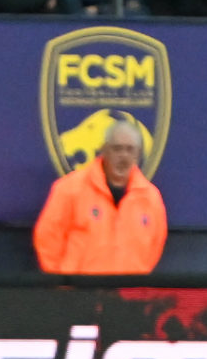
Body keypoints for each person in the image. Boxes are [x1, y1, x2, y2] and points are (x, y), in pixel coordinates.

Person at [32, 117, 167, 275]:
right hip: (80, 289)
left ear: (138, 155)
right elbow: (47, 238)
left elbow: (154, 247)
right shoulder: (69, 189)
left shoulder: (151, 198)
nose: (123, 156)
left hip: (130, 289)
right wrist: (62, 283)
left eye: (130, 150)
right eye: (117, 148)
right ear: (104, 150)